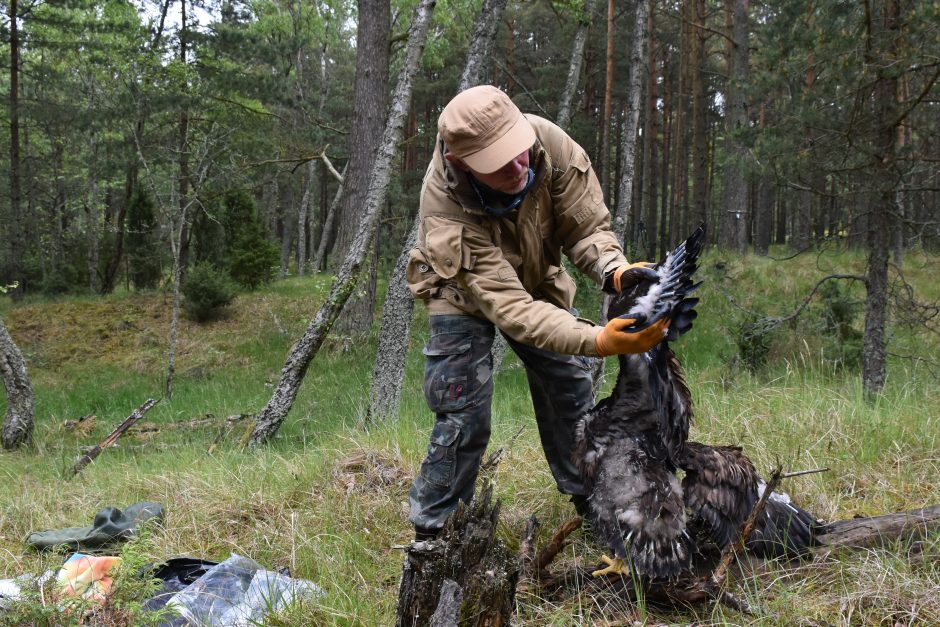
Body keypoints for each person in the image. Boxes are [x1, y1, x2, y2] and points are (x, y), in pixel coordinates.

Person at [405, 85, 668, 541]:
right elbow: (513, 310)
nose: (518, 166)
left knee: (570, 385)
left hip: (537, 277)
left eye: (518, 149)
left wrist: (616, 271)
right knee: (463, 411)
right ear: (459, 162)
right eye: (497, 163)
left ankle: (595, 503)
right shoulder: (444, 209)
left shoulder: (549, 144)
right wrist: (598, 339)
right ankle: (435, 532)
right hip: (462, 294)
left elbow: (586, 228)